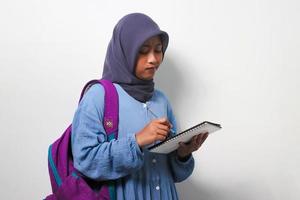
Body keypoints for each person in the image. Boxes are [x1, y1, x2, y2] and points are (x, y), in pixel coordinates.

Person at [71, 13, 209, 200]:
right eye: (143, 50)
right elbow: (85, 160)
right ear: (125, 51)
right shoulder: (98, 97)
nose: (153, 59)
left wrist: (182, 154)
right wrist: (136, 141)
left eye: (158, 49)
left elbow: (174, 174)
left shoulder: (161, 100)